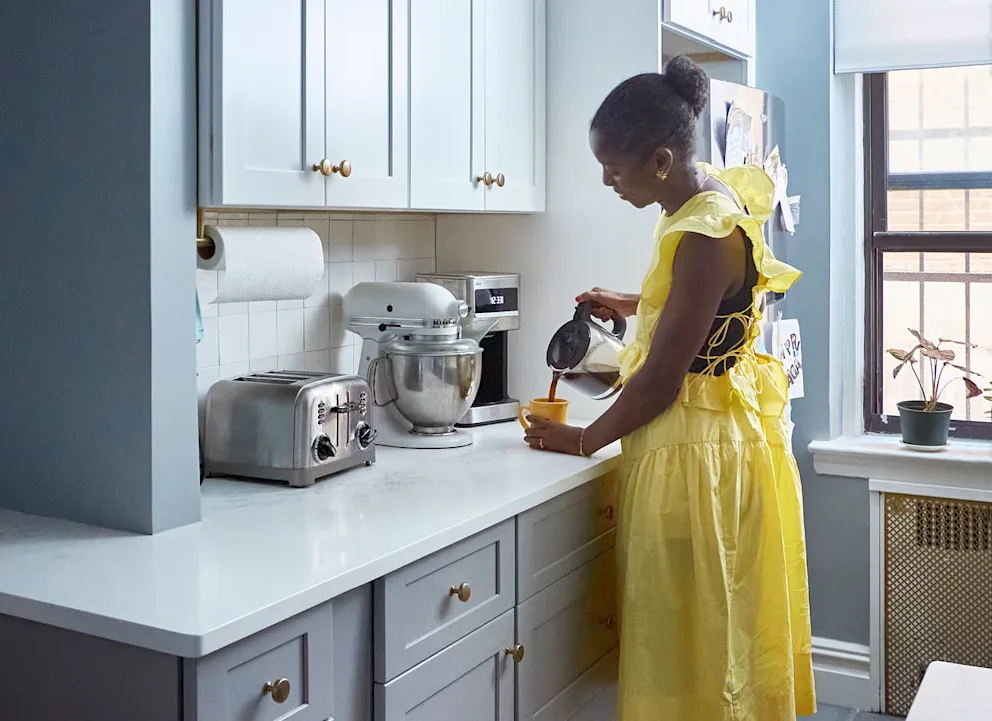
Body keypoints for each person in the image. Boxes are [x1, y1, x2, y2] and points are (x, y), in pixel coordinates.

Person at [523, 56, 816, 721]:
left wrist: (582, 439)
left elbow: (658, 382)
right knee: (718, 632)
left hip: (696, 457)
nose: (606, 181)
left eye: (614, 169)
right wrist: (630, 303)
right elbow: (706, 305)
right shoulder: (708, 196)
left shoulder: (700, 235)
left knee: (689, 643)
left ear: (659, 160)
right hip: (729, 438)